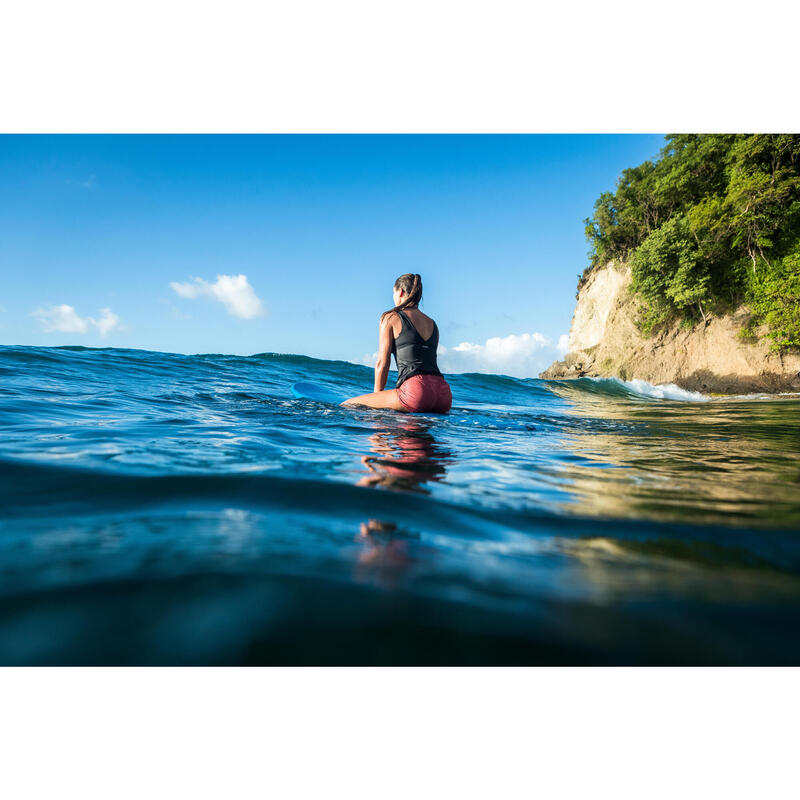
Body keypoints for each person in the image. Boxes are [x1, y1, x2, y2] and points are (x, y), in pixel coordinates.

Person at [341, 273, 452, 413]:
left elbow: (382, 362)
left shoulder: (391, 317)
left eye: (393, 293)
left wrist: (376, 398)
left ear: (400, 292)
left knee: (348, 405)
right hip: (443, 394)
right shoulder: (432, 323)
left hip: (416, 392)